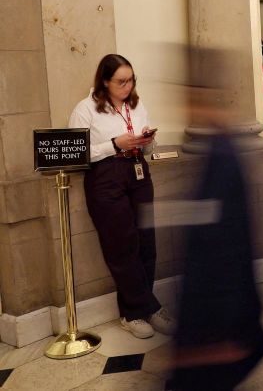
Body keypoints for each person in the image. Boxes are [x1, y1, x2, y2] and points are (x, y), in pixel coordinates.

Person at [170, 79, 263, 391]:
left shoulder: (224, 152)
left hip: (220, 277)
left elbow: (220, 217)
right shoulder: (221, 146)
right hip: (220, 273)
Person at [68, 54, 174, 339]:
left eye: (131, 80)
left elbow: (151, 149)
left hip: (138, 170)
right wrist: (115, 144)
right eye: (121, 81)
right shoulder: (85, 109)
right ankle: (137, 312)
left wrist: (149, 140)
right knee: (121, 245)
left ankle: (142, 309)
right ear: (105, 81)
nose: (127, 86)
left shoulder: (136, 106)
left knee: (146, 242)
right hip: (105, 178)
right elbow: (77, 153)